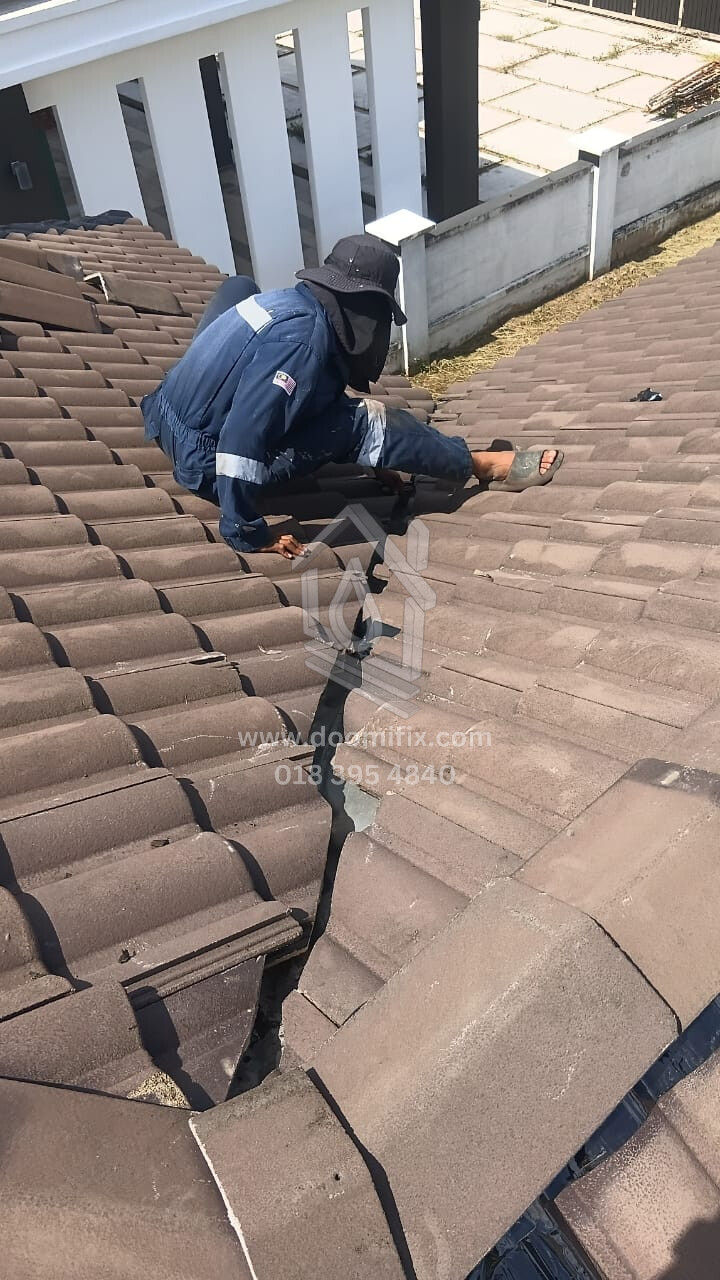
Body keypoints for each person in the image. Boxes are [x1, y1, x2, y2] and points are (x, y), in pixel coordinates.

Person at [142, 235, 562, 560]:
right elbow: (242, 436)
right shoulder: (304, 341)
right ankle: (479, 463)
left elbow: (305, 394)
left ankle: (388, 451)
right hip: (207, 463)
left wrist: (374, 460)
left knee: (239, 286)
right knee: (364, 420)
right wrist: (246, 531)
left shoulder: (285, 303)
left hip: (165, 419)